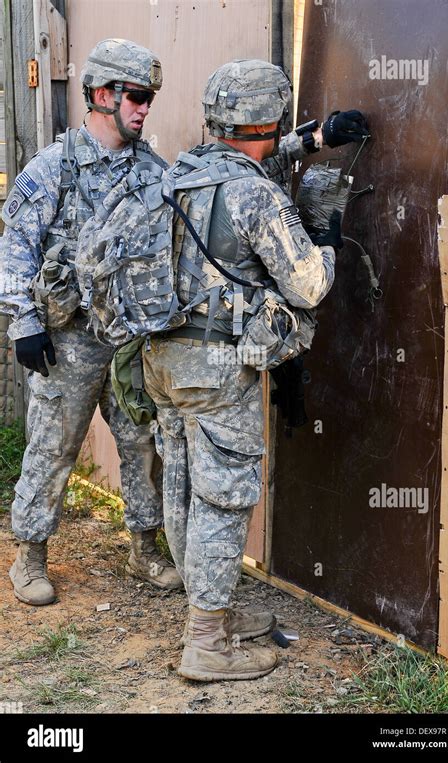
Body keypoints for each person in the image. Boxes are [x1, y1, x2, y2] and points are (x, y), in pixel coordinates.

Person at [141, 59, 368, 681]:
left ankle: (209, 610)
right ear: (267, 117)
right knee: (225, 498)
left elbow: (248, 160)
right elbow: (310, 285)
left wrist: (312, 139)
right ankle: (206, 645)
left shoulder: (178, 174)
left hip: (161, 359)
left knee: (185, 483)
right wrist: (324, 231)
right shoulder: (257, 195)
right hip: (218, 367)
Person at [0, 38, 183, 606]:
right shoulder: (53, 167)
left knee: (142, 445)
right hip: (68, 340)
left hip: (129, 342)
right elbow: (16, 250)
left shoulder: (153, 171)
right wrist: (23, 323)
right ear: (102, 95)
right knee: (53, 447)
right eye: (136, 96)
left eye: (150, 97)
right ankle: (29, 557)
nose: (145, 107)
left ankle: (144, 550)